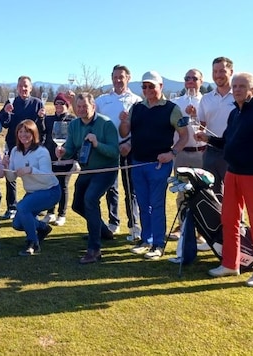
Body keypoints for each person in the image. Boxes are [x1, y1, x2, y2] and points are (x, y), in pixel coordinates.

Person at [196, 72, 253, 287]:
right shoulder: (234, 113)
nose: (237, 89)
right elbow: (227, 142)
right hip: (232, 174)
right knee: (229, 220)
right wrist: (208, 139)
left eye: (242, 86)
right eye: (235, 86)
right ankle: (230, 264)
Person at [119, 71, 189, 260]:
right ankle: (145, 240)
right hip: (137, 163)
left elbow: (184, 136)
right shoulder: (137, 108)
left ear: (161, 86)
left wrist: (172, 153)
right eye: (144, 86)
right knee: (142, 203)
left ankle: (158, 244)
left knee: (156, 204)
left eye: (151, 86)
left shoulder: (172, 109)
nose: (148, 90)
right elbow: (126, 131)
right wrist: (124, 122)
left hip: (159, 164)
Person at [56, 92, 120, 264]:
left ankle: (94, 250)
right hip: (86, 171)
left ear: (93, 107)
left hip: (106, 170)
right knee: (78, 205)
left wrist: (97, 144)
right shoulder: (74, 125)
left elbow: (115, 152)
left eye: (85, 106)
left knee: (90, 199)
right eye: (79, 107)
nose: (82, 110)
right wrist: (63, 152)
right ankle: (103, 230)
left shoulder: (106, 124)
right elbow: (70, 147)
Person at [95, 64, 142, 240]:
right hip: (108, 149)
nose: (118, 80)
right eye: (115, 77)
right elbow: (90, 116)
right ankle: (113, 223)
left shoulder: (136, 100)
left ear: (128, 78)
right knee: (110, 188)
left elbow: (139, 127)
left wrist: (129, 143)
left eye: (121, 76)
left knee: (131, 188)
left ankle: (134, 225)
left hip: (128, 148)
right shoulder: (102, 100)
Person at [3, 120, 60, 256]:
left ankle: (33, 243)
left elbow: (46, 177)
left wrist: (30, 170)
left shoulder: (42, 151)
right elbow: (11, 178)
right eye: (20, 132)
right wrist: (6, 167)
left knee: (22, 207)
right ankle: (43, 228)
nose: (23, 135)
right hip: (32, 193)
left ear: (34, 133)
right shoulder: (15, 151)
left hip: (50, 191)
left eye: (27, 131)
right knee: (17, 224)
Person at [0, 76, 46, 220]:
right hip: (13, 145)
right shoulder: (11, 102)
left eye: (26, 86)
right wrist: (5, 112)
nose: (23, 89)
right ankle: (11, 207)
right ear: (17, 88)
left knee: (34, 176)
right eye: (20, 86)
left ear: (31, 88)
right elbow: (5, 124)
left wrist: (42, 118)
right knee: (11, 177)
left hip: (32, 147)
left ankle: (35, 206)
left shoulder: (37, 103)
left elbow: (42, 129)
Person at [167, 69, 207, 241]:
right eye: (187, 78)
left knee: (203, 192)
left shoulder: (207, 101)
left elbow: (208, 127)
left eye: (194, 78)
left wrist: (196, 115)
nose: (190, 81)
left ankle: (202, 231)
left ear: (201, 81)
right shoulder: (176, 102)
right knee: (182, 192)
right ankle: (184, 226)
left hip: (202, 153)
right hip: (182, 154)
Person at [192, 57, 235, 198]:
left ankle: (235, 221)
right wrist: (195, 123)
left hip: (232, 153)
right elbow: (201, 125)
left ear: (231, 72)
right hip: (210, 153)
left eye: (222, 71)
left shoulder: (238, 96)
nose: (218, 75)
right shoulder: (206, 98)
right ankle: (215, 221)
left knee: (233, 195)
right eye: (215, 71)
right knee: (210, 195)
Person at [41, 92, 76, 226]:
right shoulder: (48, 119)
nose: (59, 106)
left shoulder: (72, 120)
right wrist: (40, 119)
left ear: (67, 105)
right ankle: (50, 212)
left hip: (67, 158)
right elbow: (41, 132)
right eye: (56, 103)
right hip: (50, 157)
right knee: (51, 185)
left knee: (63, 185)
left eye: (62, 103)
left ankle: (62, 214)